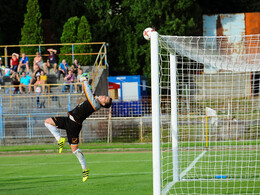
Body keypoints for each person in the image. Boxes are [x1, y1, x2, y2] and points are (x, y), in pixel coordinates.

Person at [44, 77, 112, 182]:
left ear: (103, 104)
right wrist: (86, 80)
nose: (104, 96)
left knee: (75, 150)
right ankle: (59, 139)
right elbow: (91, 92)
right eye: (105, 96)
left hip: (74, 126)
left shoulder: (95, 103)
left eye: (105, 99)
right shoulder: (96, 99)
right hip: (68, 119)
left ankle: (85, 169)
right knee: (47, 121)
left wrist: (84, 80)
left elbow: (87, 92)